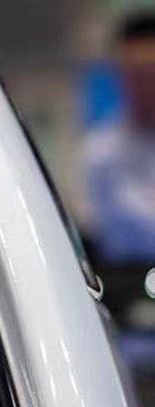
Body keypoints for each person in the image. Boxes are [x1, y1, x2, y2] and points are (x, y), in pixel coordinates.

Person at [85, 13, 155, 263]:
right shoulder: (99, 153)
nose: (143, 85)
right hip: (124, 275)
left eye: (150, 73)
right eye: (134, 74)